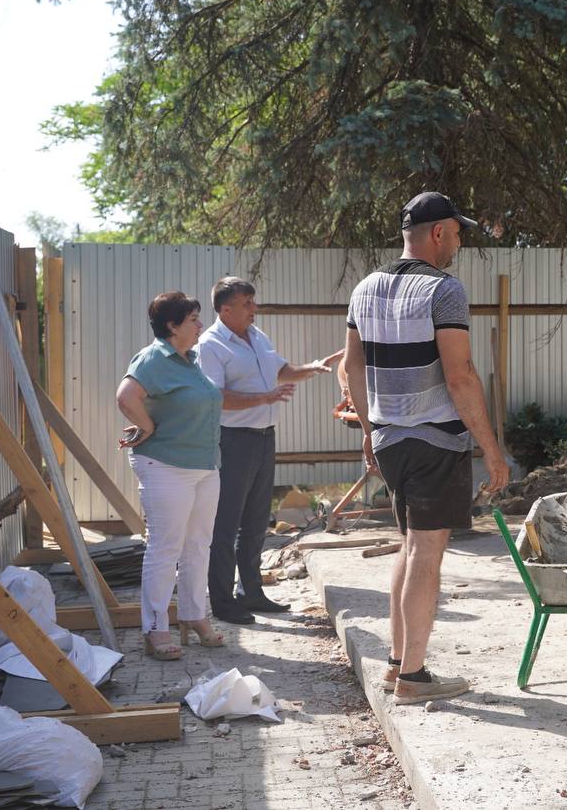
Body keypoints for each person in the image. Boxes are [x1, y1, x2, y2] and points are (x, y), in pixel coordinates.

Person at [343, 191, 510, 705]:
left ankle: (397, 665)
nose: (458, 243)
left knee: (411, 547)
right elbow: (459, 376)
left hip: (391, 440)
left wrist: (371, 434)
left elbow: (350, 368)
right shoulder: (445, 291)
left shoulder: (365, 288)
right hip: (435, 440)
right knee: (427, 556)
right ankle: (414, 676)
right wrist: (493, 451)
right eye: (457, 233)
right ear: (438, 233)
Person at [197, 277, 342, 624]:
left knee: (257, 520)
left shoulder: (257, 336)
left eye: (253, 301)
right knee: (226, 523)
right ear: (225, 308)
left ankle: (251, 592)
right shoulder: (211, 345)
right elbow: (214, 398)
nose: (253, 308)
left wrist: (316, 366)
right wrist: (263, 398)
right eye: (246, 303)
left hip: (263, 437)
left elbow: (283, 372)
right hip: (232, 441)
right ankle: (222, 600)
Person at [116, 291, 226, 660]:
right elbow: (125, 397)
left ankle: (194, 615)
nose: (200, 325)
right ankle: (155, 628)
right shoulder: (153, 358)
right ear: (172, 326)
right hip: (166, 467)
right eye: (193, 319)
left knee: (198, 545)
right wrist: (146, 426)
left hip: (205, 467)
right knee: (165, 549)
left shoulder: (188, 359)